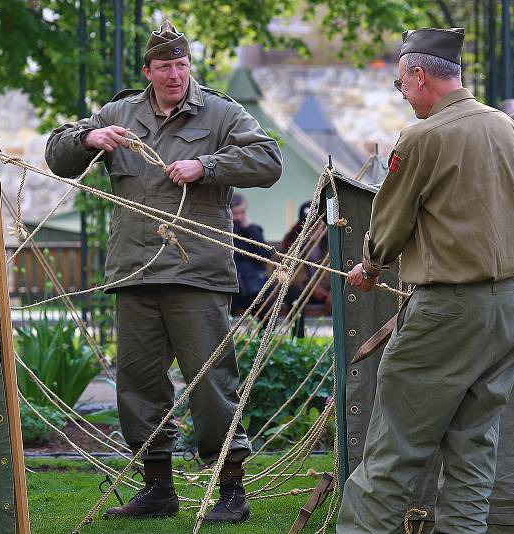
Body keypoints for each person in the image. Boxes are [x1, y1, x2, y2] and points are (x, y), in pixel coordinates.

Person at [45, 20, 282, 523]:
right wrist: (89, 137)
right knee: (136, 386)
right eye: (164, 66)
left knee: (211, 383)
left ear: (189, 66)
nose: (174, 74)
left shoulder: (220, 112)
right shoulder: (119, 113)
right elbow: (56, 156)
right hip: (135, 272)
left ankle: (232, 491)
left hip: (196, 273)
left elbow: (268, 160)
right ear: (148, 70)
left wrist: (209, 167)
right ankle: (157, 489)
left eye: (181, 64)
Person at [338, 27, 514, 533]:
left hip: (445, 312)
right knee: (473, 454)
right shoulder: (507, 128)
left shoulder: (424, 137)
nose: (403, 97)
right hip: (506, 308)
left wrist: (372, 264)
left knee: (393, 451)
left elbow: (390, 221)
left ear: (418, 75)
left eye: (401, 86)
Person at [280, 202, 330, 337]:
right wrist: (311, 287)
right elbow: (290, 272)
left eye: (317, 225)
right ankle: (298, 336)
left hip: (327, 292)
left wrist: (331, 291)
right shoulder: (293, 240)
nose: (313, 230)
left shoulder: (331, 242)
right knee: (294, 295)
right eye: (309, 226)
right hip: (304, 288)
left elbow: (338, 268)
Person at [229, 194, 272, 318]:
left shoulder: (252, 229)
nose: (239, 217)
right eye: (235, 213)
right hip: (233, 281)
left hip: (253, 283)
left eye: (242, 212)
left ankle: (265, 334)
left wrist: (250, 228)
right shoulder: (225, 231)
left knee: (266, 296)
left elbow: (265, 256)